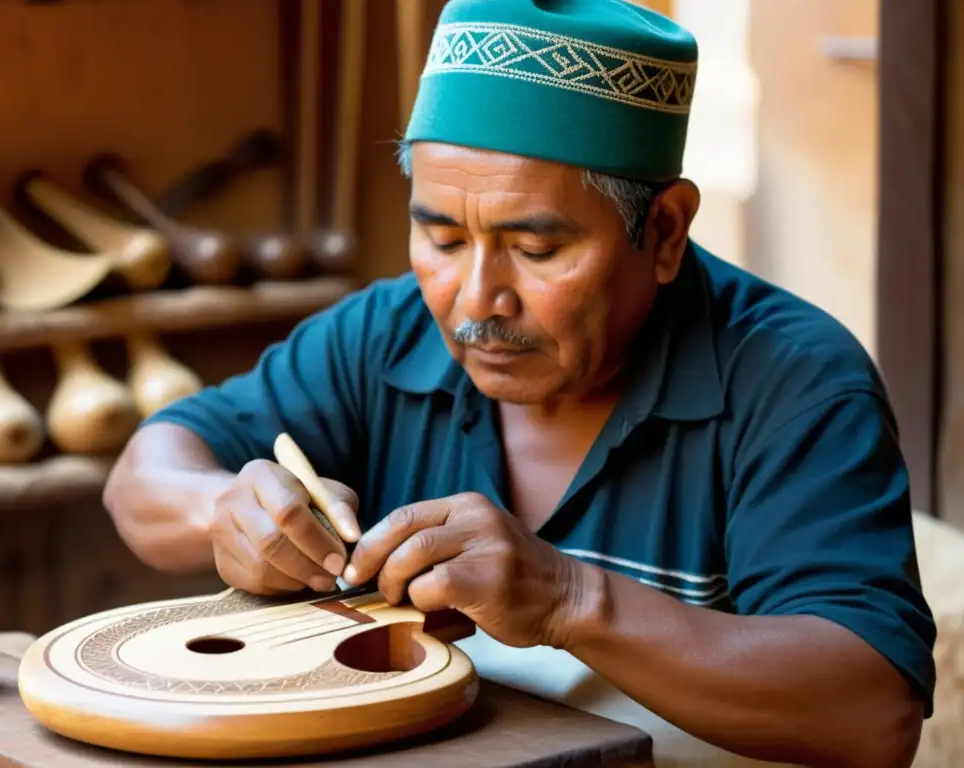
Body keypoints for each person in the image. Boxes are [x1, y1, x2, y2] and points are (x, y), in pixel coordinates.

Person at [102, 1, 936, 766]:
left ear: (666, 230)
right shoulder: (382, 334)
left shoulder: (793, 381)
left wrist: (569, 598)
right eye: (440, 238)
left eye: (536, 251)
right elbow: (147, 473)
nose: (475, 302)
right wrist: (227, 512)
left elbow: (872, 712)